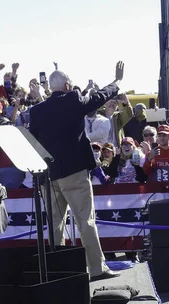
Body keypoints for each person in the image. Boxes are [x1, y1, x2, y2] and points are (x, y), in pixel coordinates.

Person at [28, 61, 125, 281]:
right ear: (69, 85)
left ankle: (58, 271)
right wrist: (116, 82)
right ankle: (97, 268)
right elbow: (98, 97)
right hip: (74, 172)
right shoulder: (73, 99)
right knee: (85, 221)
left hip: (49, 174)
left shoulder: (36, 110)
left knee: (54, 226)